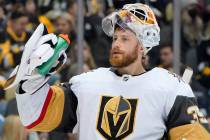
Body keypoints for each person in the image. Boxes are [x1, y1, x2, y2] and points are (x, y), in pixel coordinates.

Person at [6, 3, 210, 140]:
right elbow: (37, 118)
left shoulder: (171, 88)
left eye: (125, 39)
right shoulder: (86, 84)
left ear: (143, 46)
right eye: (115, 38)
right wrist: (33, 80)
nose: (116, 44)